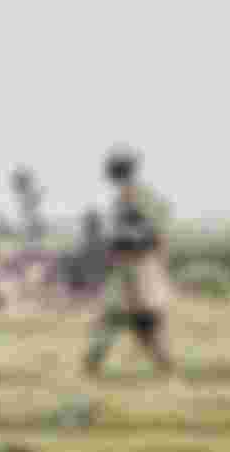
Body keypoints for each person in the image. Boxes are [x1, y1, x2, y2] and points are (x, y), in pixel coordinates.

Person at [83, 146, 176, 377]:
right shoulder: (137, 195)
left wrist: (125, 244)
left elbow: (149, 231)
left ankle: (91, 366)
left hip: (136, 266)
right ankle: (165, 368)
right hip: (138, 265)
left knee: (119, 319)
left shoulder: (135, 196)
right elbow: (158, 230)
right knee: (139, 323)